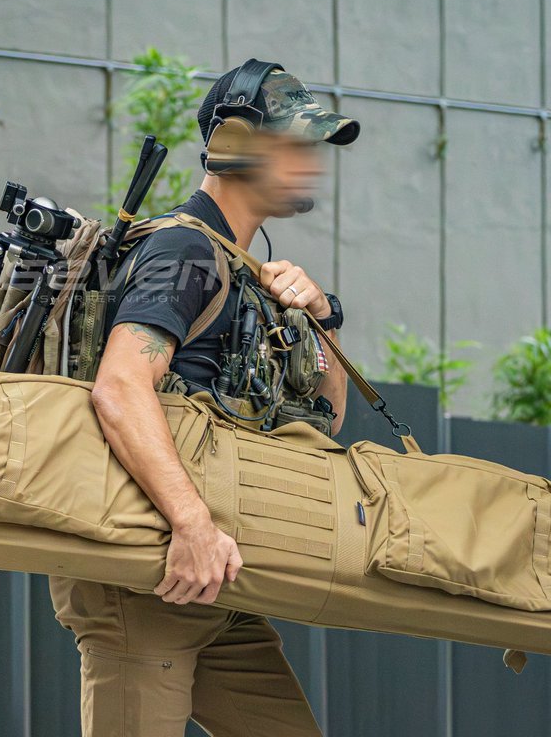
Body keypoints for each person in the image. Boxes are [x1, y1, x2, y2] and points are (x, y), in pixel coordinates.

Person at [50, 60, 360, 736]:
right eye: (294, 144)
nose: (310, 163)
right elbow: (120, 386)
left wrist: (321, 320)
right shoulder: (184, 254)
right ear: (238, 144)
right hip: (152, 574)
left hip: (219, 575)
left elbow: (327, 420)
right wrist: (191, 523)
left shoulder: (245, 272)